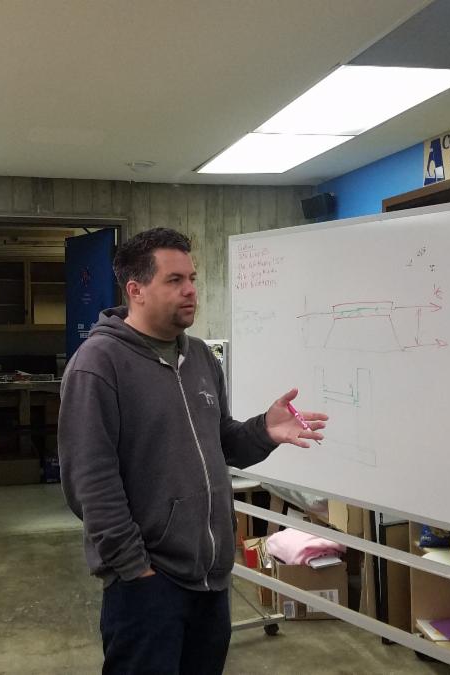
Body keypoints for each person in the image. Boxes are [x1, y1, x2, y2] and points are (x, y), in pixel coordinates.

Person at [59, 227, 327, 674]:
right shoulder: (98, 364)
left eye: (193, 278)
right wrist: (134, 569)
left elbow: (221, 442)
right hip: (147, 584)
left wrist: (265, 430)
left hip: (211, 577)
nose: (191, 291)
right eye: (175, 280)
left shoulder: (200, 356)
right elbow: (90, 483)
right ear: (136, 290)